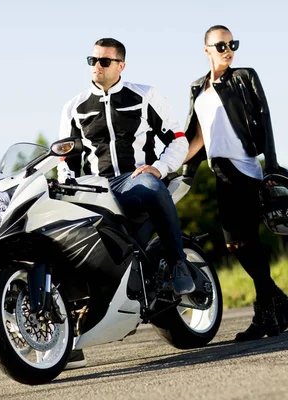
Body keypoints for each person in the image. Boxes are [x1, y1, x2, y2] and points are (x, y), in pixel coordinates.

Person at [58, 37, 194, 368]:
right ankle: (69, 333)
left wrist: (159, 167)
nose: (96, 66)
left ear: (121, 65)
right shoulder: (74, 107)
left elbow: (178, 140)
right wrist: (67, 184)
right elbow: (64, 160)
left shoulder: (146, 96)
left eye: (104, 61)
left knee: (149, 183)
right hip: (94, 188)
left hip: (135, 179)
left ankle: (178, 262)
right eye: (92, 60)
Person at [183, 25, 288, 342]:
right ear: (206, 49)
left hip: (244, 169)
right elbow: (195, 137)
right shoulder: (197, 88)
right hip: (219, 172)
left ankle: (267, 316)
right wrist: (167, 164)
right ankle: (280, 303)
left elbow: (265, 117)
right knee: (234, 244)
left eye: (231, 44)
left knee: (246, 241)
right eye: (220, 45)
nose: (227, 50)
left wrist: (272, 164)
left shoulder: (244, 76)